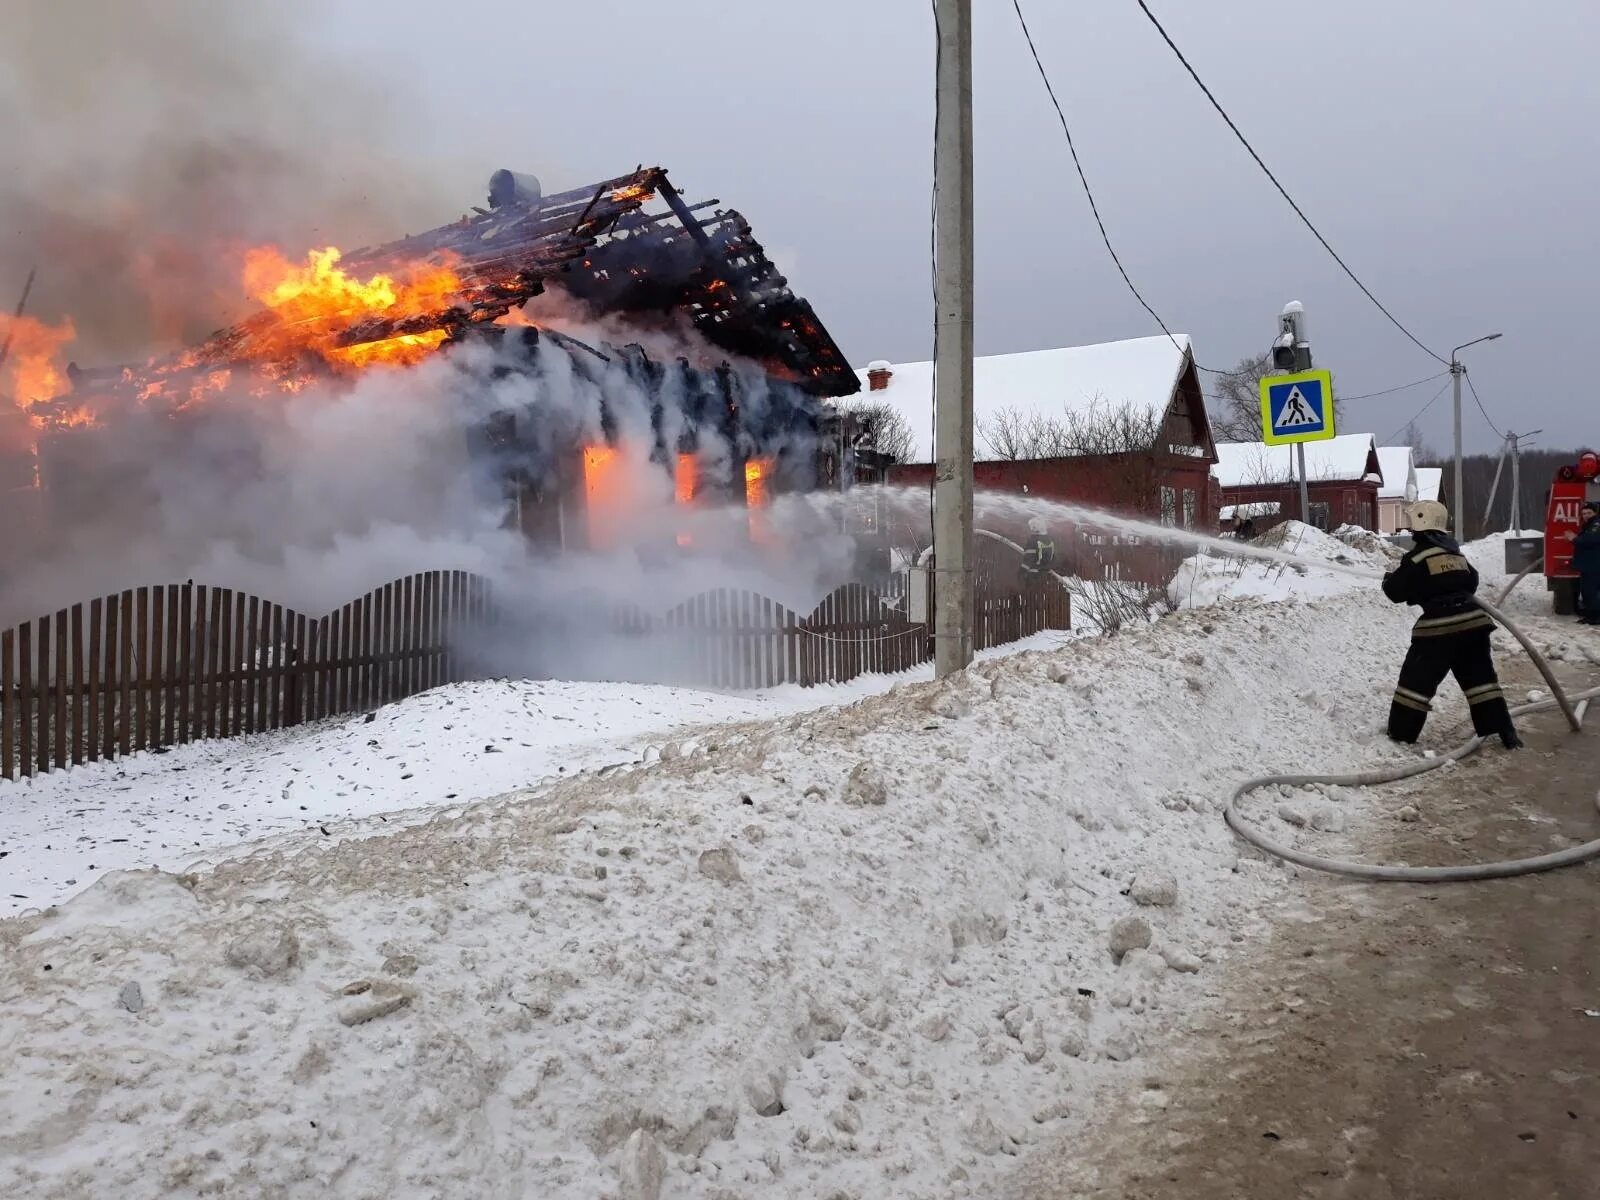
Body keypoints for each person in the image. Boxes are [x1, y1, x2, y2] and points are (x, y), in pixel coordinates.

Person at [1382, 499, 1521, 749]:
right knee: (1481, 681)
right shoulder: (1455, 553)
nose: (1410, 529)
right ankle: (1505, 731)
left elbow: (1395, 591)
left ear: (1421, 523)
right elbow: (1471, 580)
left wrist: (1389, 581)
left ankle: (1401, 733)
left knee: (1416, 682)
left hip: (1439, 631)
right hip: (1473, 625)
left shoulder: (1417, 557)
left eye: (1412, 523)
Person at [1571, 501, 1600, 624]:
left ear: (1595, 513)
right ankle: (1591, 615)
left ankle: (1595, 617)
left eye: (1589, 513)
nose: (1586, 515)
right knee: (1588, 591)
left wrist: (1574, 538)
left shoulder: (1596, 524)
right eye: (1584, 513)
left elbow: (1590, 540)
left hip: (1594, 564)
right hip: (1589, 564)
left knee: (1591, 591)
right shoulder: (1590, 524)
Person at [1020, 517, 1055, 582]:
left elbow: (1028, 559)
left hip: (1034, 575)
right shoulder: (1049, 539)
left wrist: (1021, 572)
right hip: (1046, 574)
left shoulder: (1033, 540)